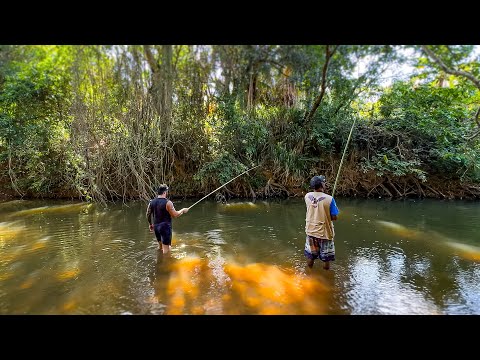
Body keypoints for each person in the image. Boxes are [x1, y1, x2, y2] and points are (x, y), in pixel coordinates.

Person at [304, 175, 339, 270]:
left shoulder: (307, 196)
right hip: (324, 234)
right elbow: (334, 217)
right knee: (326, 259)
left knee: (310, 257)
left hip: (311, 232)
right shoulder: (330, 199)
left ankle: (309, 272)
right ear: (322, 185)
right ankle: (326, 277)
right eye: (324, 182)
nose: (325, 183)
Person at [146, 184, 189, 254]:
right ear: (165, 192)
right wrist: (183, 210)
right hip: (165, 228)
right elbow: (175, 215)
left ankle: (158, 261)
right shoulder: (168, 203)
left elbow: (147, 214)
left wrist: (150, 224)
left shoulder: (151, 202)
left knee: (160, 247)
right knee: (166, 251)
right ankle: (165, 264)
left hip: (156, 227)